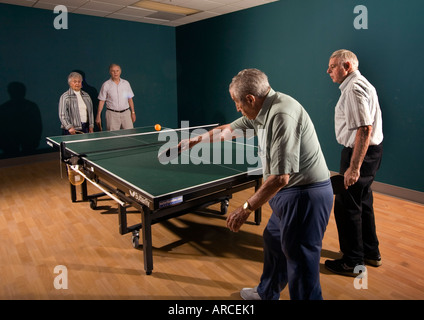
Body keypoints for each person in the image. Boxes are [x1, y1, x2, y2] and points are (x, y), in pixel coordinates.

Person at [177, 69, 333, 300]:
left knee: (301, 262)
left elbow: (281, 177)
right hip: (287, 193)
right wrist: (194, 141)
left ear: (250, 98)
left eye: (237, 103)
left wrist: (245, 208)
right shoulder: (261, 110)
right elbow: (228, 130)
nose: (237, 108)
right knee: (273, 240)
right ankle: (266, 293)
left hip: (304, 195)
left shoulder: (281, 115)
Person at [325, 49, 384, 276]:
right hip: (372, 152)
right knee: (364, 202)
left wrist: (354, 167)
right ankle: (371, 253)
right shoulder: (363, 83)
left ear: (346, 66)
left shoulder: (353, 88)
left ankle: (352, 262)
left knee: (347, 206)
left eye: (332, 66)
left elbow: (364, 128)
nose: (328, 70)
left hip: (359, 153)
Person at [96, 64, 136, 131]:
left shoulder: (126, 83)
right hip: (112, 115)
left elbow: (130, 99)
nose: (115, 73)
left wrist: (133, 112)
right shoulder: (106, 85)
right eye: (113, 71)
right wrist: (98, 115)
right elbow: (102, 101)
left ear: (120, 71)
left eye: (117, 71)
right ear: (110, 72)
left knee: (130, 136)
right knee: (113, 137)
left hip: (126, 114)